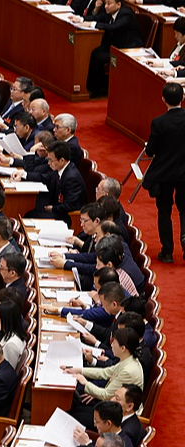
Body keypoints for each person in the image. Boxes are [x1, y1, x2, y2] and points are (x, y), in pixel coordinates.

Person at [143, 82, 185, 262]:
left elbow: (150, 151)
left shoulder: (159, 122)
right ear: (183, 98)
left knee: (164, 211)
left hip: (164, 174)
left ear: (163, 99)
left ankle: (167, 251)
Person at [80, 0, 143, 97]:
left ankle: (99, 89)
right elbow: (98, 17)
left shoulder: (126, 14)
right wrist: (81, 19)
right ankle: (91, 87)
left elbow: (114, 27)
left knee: (100, 57)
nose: (106, 6)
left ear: (118, 4)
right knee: (95, 52)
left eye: (109, 4)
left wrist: (92, 24)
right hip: (115, 44)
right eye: (105, 3)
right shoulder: (110, 12)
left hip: (127, 48)